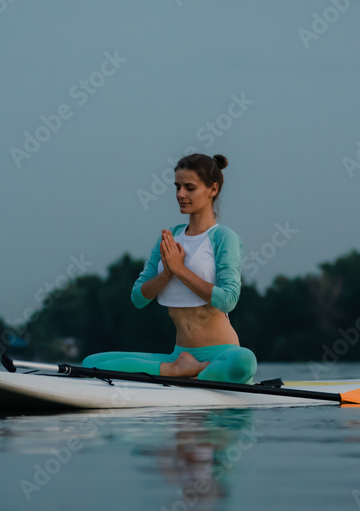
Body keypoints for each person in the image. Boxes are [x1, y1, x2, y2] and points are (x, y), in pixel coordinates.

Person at [81, 153, 257, 384]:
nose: (180, 195)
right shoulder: (170, 237)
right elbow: (138, 298)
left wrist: (180, 270)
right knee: (90, 363)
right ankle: (179, 371)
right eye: (177, 187)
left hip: (222, 354)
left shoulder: (224, 238)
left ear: (212, 190)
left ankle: (193, 372)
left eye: (190, 188)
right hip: (179, 355)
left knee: (244, 362)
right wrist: (166, 274)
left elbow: (228, 300)